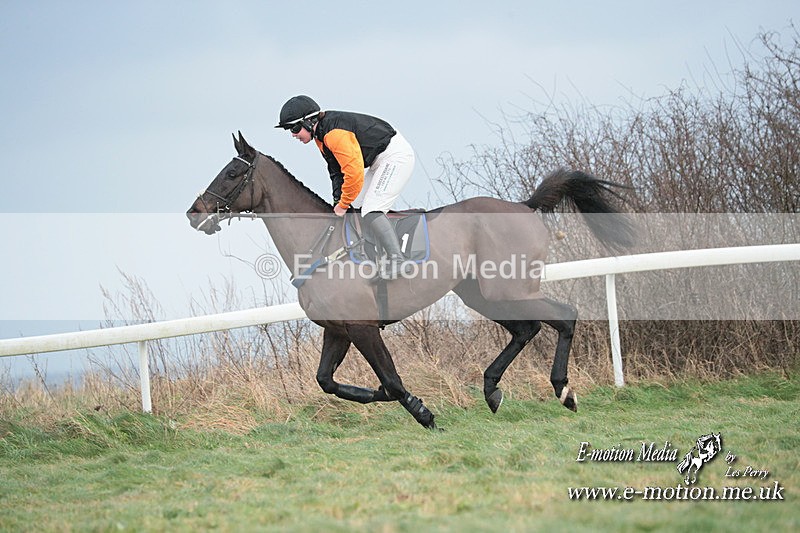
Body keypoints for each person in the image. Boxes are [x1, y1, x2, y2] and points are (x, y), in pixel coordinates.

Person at [276, 95, 416, 280]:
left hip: (395, 157)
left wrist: (343, 204)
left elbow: (354, 173)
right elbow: (336, 172)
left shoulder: (334, 134)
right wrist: (338, 202)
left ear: (310, 122)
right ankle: (377, 257)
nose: (293, 135)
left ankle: (398, 260)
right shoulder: (321, 137)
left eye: (294, 128)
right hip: (379, 161)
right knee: (356, 206)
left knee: (371, 210)